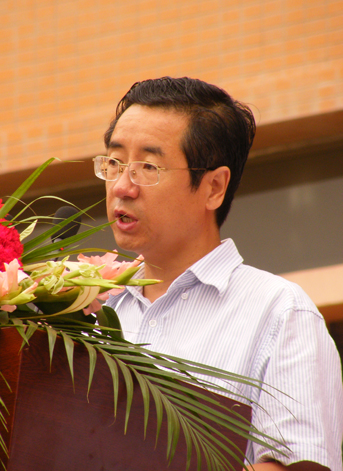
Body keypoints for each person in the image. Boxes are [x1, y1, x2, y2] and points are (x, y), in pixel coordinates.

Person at [92, 77, 343, 470]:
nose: (122, 186)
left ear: (213, 187)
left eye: (148, 167)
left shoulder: (279, 312)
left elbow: (300, 465)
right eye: (114, 162)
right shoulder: (86, 309)